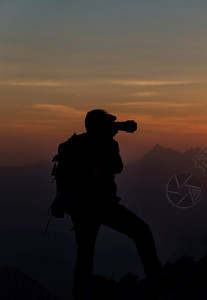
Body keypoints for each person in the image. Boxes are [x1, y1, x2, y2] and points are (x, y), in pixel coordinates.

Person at [59, 109, 161, 299]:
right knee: (142, 232)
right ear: (100, 127)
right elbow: (117, 167)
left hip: (81, 209)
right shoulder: (104, 144)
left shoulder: (78, 144)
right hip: (102, 206)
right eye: (107, 124)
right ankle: (158, 280)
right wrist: (109, 141)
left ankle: (79, 295)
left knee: (85, 256)